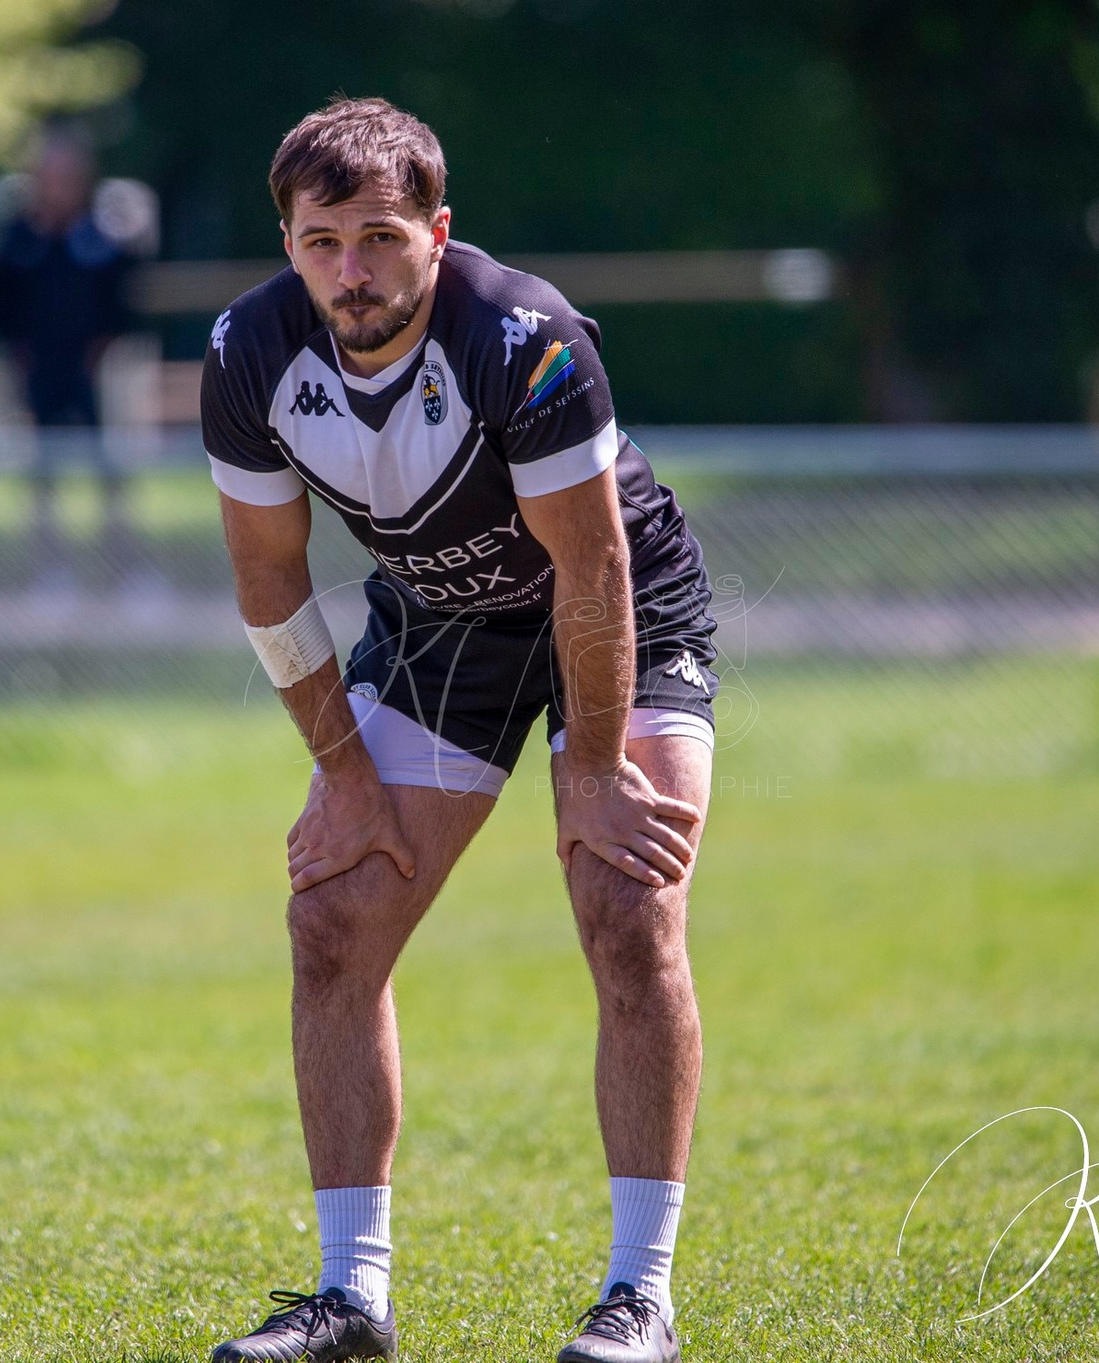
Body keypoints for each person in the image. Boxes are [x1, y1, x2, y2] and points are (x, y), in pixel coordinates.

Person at [202, 99, 719, 1363]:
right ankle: (349, 1298)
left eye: (380, 236)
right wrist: (341, 777)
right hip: (443, 628)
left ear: (438, 232)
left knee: (624, 903)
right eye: (320, 241)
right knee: (331, 914)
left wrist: (589, 771)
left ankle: (638, 1297)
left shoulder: (524, 338)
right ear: (288, 243)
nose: (351, 270)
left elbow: (590, 573)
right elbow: (270, 580)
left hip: (618, 607)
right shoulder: (248, 354)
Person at [0, 124, 150, 601]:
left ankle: (124, 571)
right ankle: (49, 573)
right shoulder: (17, 240)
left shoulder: (102, 238)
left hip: (94, 377)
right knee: (42, 478)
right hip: (39, 377)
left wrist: (104, 347)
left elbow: (123, 304)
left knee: (109, 474)